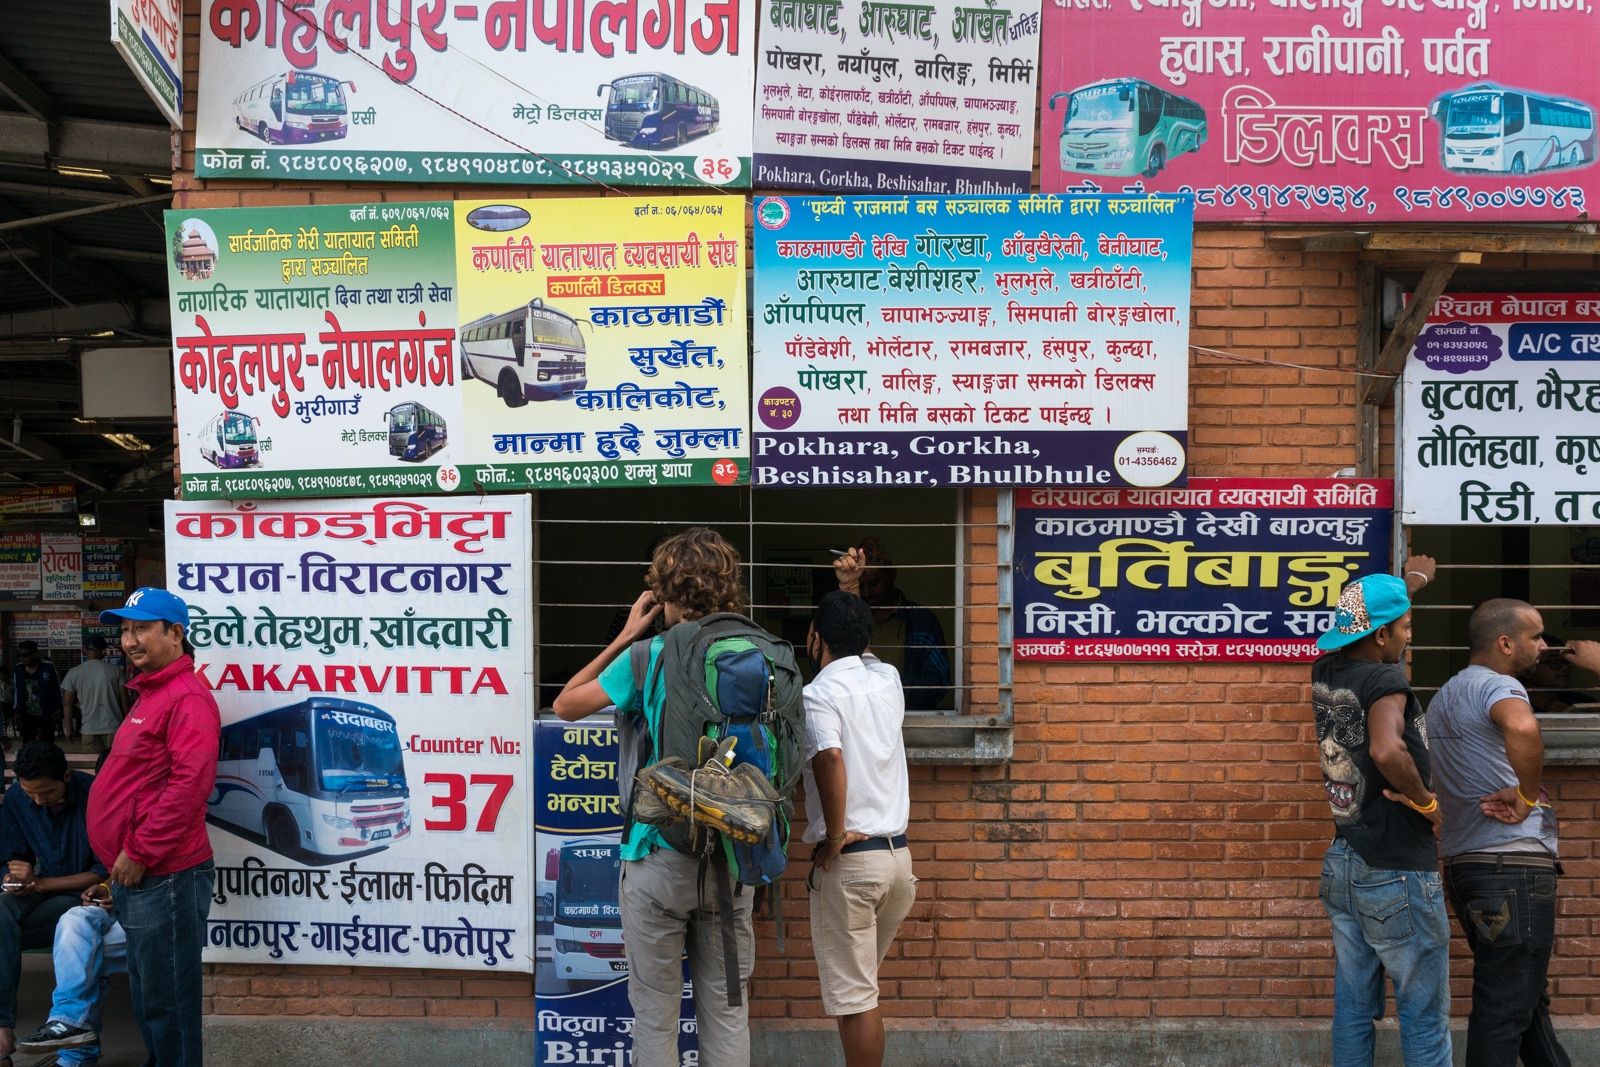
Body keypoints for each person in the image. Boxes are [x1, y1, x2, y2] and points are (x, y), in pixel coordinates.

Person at [552, 527, 758, 1067]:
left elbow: (566, 705)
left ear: (664, 592)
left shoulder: (647, 657)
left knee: (657, 1013)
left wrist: (626, 635)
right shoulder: (756, 653)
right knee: (729, 1010)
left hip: (657, 854)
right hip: (735, 856)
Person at [1311, 564, 1451, 1067]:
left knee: (1352, 1007)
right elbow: (1388, 751)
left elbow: (1368, 617)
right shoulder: (1385, 678)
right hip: (1396, 867)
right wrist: (1427, 804)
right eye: (1406, 628)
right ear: (1381, 633)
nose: (1409, 637)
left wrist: (1410, 583)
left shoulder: (1327, 668)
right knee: (1423, 1013)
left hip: (1345, 859)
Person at [1427, 599, 1571, 1067]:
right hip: (1512, 868)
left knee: (1525, 999)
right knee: (1506, 1006)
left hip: (1469, 867)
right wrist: (1527, 796)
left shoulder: (1445, 694)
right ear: (1505, 643)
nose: (1543, 646)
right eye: (1536, 636)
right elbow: (1523, 726)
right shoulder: (1498, 684)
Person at [87, 587, 219, 1067]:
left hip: (163, 873)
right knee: (148, 993)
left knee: (169, 1003)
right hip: (140, 875)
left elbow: (190, 785)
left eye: (141, 628)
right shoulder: (153, 693)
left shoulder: (186, 698)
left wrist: (139, 850)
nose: (129, 640)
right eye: (124, 630)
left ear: (176, 633)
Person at [802, 589, 915, 1067]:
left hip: (852, 863)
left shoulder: (818, 693)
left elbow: (830, 757)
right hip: (897, 863)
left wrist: (832, 834)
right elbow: (858, 647)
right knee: (862, 991)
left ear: (815, 639)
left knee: (856, 1002)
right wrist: (850, 590)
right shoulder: (887, 678)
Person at [0, 742, 105, 1067]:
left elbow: (104, 871)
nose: (38, 800)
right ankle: (3, 1029)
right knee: (1, 910)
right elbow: (11, 856)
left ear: (67, 776)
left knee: (72, 919)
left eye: (46, 792)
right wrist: (14, 876)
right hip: (41, 895)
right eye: (31, 793)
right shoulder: (18, 797)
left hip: (87, 900)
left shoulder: (95, 794)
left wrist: (40, 882)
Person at [832, 538, 950, 711]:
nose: (866, 592)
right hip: (860, 718)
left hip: (910, 720)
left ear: (892, 574)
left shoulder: (922, 621)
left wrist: (889, 691)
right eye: (861, 585)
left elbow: (940, 683)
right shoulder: (852, 620)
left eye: (873, 583)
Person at [15, 883, 125, 1067]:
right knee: (74, 917)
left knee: (87, 953)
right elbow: (117, 873)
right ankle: (67, 1023)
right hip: (117, 909)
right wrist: (106, 887)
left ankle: (76, 1057)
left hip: (155, 910)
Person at [61, 638, 128, 753]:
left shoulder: (74, 672)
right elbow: (124, 699)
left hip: (89, 730)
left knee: (94, 767)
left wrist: (69, 727)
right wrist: (128, 723)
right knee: (115, 768)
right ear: (103, 652)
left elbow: (67, 704)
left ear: (84, 651)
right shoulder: (116, 670)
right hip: (114, 729)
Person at [1515, 636, 1600, 715]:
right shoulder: (1513, 705)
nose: (1565, 667)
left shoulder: (1582, 703)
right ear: (1527, 670)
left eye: (1566, 661)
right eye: (1554, 662)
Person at [10, 642, 62, 745]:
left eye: (25, 655)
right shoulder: (18, 669)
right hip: (27, 714)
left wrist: (58, 707)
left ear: (34, 654)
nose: (22, 658)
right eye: (19, 655)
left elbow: (57, 688)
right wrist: (16, 710)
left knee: (48, 743)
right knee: (27, 743)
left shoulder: (48, 667)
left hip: (47, 713)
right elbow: (17, 690)